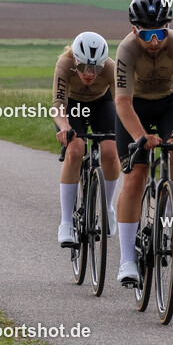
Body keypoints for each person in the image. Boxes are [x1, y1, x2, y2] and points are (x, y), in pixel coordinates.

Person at [114, 0, 173, 285]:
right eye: (147, 34)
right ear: (134, 31)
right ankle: (127, 260)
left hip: (171, 102)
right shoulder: (126, 51)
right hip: (135, 105)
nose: (154, 42)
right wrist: (141, 137)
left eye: (160, 33)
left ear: (168, 27)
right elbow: (123, 104)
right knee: (135, 175)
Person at [53, 32, 121, 246]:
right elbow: (58, 106)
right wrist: (64, 128)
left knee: (111, 152)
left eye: (96, 68)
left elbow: (122, 103)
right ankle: (66, 222)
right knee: (75, 150)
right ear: (75, 60)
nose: (90, 74)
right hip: (73, 106)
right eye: (84, 68)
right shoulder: (64, 65)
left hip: (102, 104)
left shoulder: (111, 67)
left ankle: (107, 206)